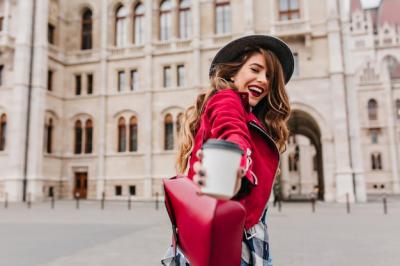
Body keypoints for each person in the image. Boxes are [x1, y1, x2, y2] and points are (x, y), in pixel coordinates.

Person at [162, 35, 294, 266]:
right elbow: (232, 134)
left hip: (245, 239)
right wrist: (234, 171)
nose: (263, 80)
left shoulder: (251, 115)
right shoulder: (227, 100)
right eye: (255, 69)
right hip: (231, 245)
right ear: (232, 73)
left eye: (269, 77)